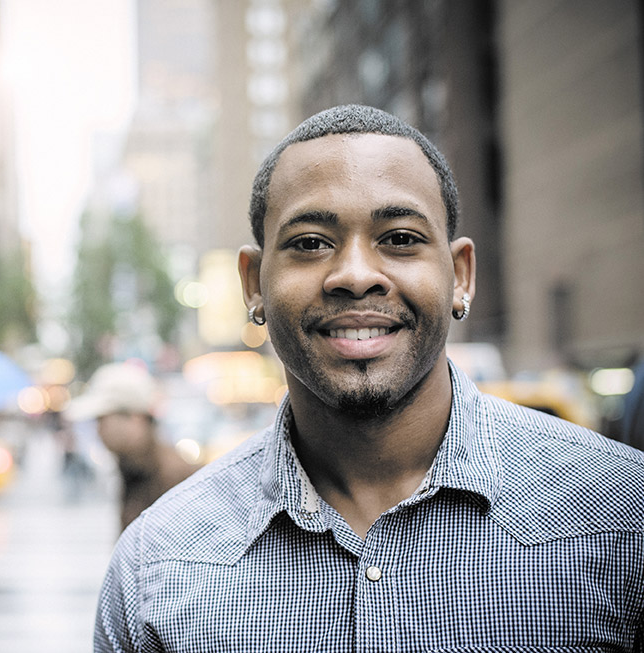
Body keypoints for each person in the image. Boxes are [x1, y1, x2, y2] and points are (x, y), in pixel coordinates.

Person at [94, 105, 644, 651]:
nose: (356, 276)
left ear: (461, 276)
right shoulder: (156, 563)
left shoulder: (624, 519)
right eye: (310, 242)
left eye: (400, 238)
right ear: (254, 283)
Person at [68, 362, 199, 531]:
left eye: (102, 419)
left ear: (135, 418)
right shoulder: (134, 468)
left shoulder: (173, 477)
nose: (98, 429)